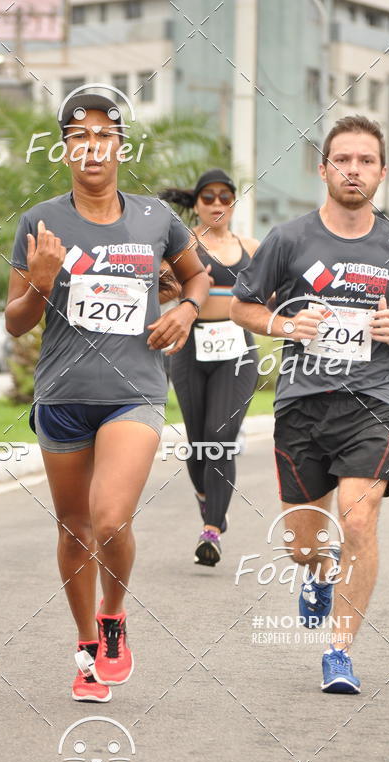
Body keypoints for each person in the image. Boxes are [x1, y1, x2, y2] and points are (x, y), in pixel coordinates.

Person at [6, 92, 209, 702]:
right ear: (64, 148)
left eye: (103, 134)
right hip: (63, 394)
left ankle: (113, 617)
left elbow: (197, 274)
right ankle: (87, 645)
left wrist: (188, 310)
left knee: (109, 517)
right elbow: (15, 324)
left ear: (121, 145)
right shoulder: (39, 222)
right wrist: (40, 287)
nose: (91, 147)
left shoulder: (155, 219)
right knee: (72, 527)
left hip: (134, 392)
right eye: (78, 136)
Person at [231, 114, 389, 694]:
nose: (354, 170)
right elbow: (241, 307)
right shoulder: (290, 239)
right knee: (304, 544)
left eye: (366, 161)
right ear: (323, 168)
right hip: (302, 404)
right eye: (342, 160)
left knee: (359, 518)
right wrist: (284, 322)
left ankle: (339, 651)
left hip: (374, 401)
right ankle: (317, 573)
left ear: (381, 170)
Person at [159, 170, 259, 566]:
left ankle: (212, 531)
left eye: (225, 197)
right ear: (197, 203)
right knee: (199, 442)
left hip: (236, 353)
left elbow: (273, 294)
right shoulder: (183, 244)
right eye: (209, 198)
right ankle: (208, 500)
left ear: (233, 203)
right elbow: (162, 288)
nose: (217, 205)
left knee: (220, 435)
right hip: (189, 348)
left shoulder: (252, 247)